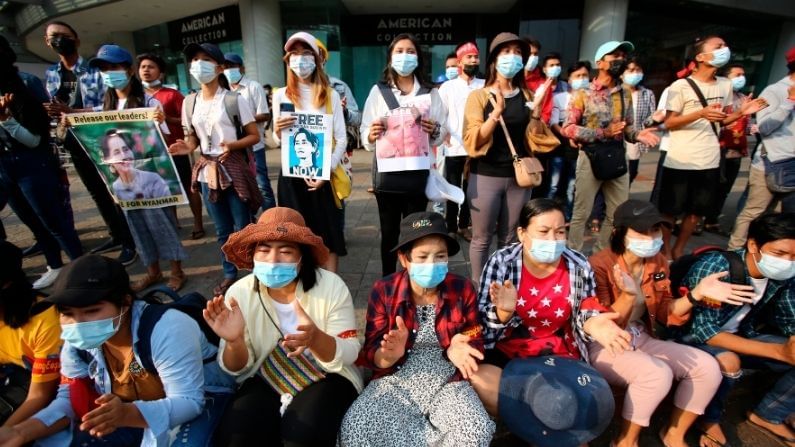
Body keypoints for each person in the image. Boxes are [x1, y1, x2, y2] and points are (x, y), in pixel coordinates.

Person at [0, 254, 235, 446]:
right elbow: (71, 397)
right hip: (126, 408)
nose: (77, 322)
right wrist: (19, 432)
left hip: (201, 397)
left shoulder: (169, 328)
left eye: (92, 311)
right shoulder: (76, 341)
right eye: (67, 313)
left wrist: (127, 414)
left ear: (125, 302)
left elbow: (188, 401)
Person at [468, 198, 630, 445]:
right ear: (522, 233)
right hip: (508, 351)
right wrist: (504, 312)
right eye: (543, 232)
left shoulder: (577, 264)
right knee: (478, 377)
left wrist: (595, 324)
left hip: (558, 352)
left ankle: (542, 429)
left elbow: (585, 310)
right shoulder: (502, 262)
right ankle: (538, 428)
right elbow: (482, 327)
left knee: (568, 414)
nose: (553, 240)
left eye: (560, 231)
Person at [203, 207, 362, 446]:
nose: (273, 260)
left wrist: (315, 337)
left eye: (286, 251)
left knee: (302, 436)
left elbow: (350, 351)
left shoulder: (331, 286)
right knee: (235, 436)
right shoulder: (239, 293)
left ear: (302, 257)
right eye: (264, 250)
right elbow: (235, 369)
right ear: (252, 254)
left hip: (328, 374)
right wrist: (234, 341)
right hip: (265, 373)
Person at [339, 212, 494, 446]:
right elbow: (372, 350)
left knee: (475, 429)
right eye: (422, 257)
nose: (432, 264)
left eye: (440, 256)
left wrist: (461, 343)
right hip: (396, 378)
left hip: (448, 380)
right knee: (356, 428)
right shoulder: (384, 290)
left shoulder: (462, 288)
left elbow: (474, 332)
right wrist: (388, 355)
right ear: (404, 259)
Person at [588, 200, 735, 447]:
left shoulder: (657, 261)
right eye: (641, 232)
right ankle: (626, 441)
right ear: (618, 233)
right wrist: (628, 295)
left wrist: (694, 295)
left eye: (655, 230)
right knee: (656, 374)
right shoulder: (598, 265)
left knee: (707, 367)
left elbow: (666, 311)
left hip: (642, 336)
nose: (650, 238)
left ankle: (674, 434)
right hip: (604, 343)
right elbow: (604, 324)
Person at [675, 212, 795, 447]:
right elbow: (703, 331)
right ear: (753, 245)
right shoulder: (717, 267)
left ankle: (769, 413)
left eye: (794, 256)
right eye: (779, 254)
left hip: (743, 334)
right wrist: (779, 352)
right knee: (729, 361)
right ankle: (708, 419)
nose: (788, 262)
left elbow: (788, 316)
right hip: (689, 339)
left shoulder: (785, 275)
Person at [168, 42, 262, 296]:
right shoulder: (189, 102)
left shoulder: (234, 99)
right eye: (194, 59)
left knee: (243, 225)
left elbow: (253, 135)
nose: (198, 64)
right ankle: (230, 273)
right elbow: (192, 137)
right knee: (221, 229)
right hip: (206, 169)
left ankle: (254, 273)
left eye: (205, 59)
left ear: (220, 67)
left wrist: (233, 144)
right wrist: (186, 147)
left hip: (232, 167)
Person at [660, 35, 767, 259]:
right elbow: (669, 123)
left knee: (696, 211)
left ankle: (680, 249)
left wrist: (740, 113)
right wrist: (700, 113)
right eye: (717, 46)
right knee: (670, 211)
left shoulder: (725, 84)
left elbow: (723, 120)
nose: (724, 49)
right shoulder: (680, 86)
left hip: (709, 159)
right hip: (681, 159)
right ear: (700, 56)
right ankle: (666, 249)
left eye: (725, 46)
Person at [91, 45, 188, 293]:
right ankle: (153, 271)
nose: (109, 73)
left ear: (128, 70)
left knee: (162, 223)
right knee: (138, 225)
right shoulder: (108, 102)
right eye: (104, 69)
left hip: (149, 172)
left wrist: (160, 120)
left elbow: (162, 136)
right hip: (124, 179)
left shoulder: (148, 100)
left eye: (114, 68)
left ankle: (177, 271)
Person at [42, 20, 137, 267]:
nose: (59, 40)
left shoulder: (96, 72)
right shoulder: (52, 74)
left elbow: (107, 108)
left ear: (76, 39)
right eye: (53, 36)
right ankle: (115, 234)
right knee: (96, 193)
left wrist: (73, 111)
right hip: (73, 141)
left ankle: (129, 241)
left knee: (114, 190)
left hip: (100, 140)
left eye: (64, 35)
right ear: (47, 42)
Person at [0, 34, 84, 290]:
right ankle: (54, 265)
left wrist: (6, 120)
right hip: (5, 165)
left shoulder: (24, 84)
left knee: (53, 220)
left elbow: (36, 139)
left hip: (31, 162)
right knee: (32, 221)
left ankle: (80, 271)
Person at [562, 40, 660, 254]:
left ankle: (600, 253)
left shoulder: (625, 94)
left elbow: (629, 128)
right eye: (614, 56)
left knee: (617, 213)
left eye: (622, 56)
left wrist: (638, 134)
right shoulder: (583, 93)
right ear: (600, 62)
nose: (620, 60)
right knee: (582, 212)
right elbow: (568, 128)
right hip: (590, 157)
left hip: (616, 157)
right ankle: (573, 254)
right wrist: (602, 133)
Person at [360, 33, 447, 276]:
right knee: (389, 233)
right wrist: (371, 133)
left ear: (419, 57)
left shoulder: (430, 93)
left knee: (416, 232)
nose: (405, 56)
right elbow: (365, 131)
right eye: (399, 51)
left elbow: (441, 133)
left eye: (410, 51)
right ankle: (388, 281)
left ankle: (413, 278)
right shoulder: (379, 92)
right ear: (390, 57)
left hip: (417, 175)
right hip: (388, 177)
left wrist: (434, 129)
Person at [462, 32, 546, 281]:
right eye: (506, 52)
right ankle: (479, 290)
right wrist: (495, 113)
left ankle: (504, 286)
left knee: (510, 237)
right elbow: (473, 140)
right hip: (485, 175)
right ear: (494, 59)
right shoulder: (478, 96)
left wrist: (537, 116)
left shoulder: (527, 96)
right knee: (481, 238)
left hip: (519, 178)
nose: (513, 57)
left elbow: (536, 140)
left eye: (518, 52)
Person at [272, 31, 348, 274]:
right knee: (293, 236)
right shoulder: (280, 95)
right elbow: (277, 140)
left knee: (328, 236)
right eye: (294, 54)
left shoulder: (331, 94)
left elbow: (342, 138)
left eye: (306, 54)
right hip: (291, 178)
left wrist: (326, 172)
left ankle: (331, 289)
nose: (300, 60)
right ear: (287, 59)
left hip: (322, 178)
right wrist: (277, 131)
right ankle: (301, 287)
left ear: (317, 59)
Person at [728, 47, 795, 249]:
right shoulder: (775, 91)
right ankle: (735, 251)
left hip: (792, 164)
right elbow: (763, 127)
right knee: (754, 211)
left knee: (781, 215)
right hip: (770, 163)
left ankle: (769, 251)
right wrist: (790, 102)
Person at [138, 53, 205, 240]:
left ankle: (198, 222)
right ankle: (173, 222)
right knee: (163, 189)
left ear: (161, 72)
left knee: (189, 187)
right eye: (143, 67)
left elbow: (187, 121)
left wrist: (166, 118)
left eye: (151, 67)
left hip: (175, 149)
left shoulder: (172, 95)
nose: (146, 70)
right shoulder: (137, 97)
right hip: (151, 153)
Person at [0, 242, 61, 427]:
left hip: (51, 393)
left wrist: (7, 433)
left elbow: (41, 395)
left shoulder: (45, 322)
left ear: (6, 284)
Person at [437, 42, 483, 241]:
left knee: (470, 190)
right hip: (454, 147)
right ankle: (451, 228)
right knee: (453, 189)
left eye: (476, 57)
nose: (473, 60)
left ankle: (464, 225)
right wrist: (444, 132)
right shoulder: (448, 87)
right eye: (469, 57)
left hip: (477, 147)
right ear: (460, 61)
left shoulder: (483, 85)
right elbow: (439, 113)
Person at [223, 52, 276, 212]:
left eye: (232, 66)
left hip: (254, 146)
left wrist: (243, 120)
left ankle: (271, 220)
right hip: (233, 148)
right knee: (240, 185)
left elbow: (265, 114)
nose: (228, 70)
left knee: (262, 185)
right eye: (225, 67)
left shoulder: (253, 87)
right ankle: (250, 220)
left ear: (241, 68)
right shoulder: (222, 90)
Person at [703, 63, 752, 236]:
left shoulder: (744, 99)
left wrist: (749, 121)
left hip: (735, 151)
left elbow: (747, 128)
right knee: (708, 186)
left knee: (724, 188)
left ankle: (711, 220)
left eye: (743, 74)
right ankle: (696, 218)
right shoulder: (718, 96)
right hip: (716, 149)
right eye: (737, 74)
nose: (741, 78)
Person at [551, 61, 591, 221]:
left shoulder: (594, 99)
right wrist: (567, 134)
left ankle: (567, 217)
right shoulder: (560, 98)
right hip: (560, 147)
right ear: (569, 79)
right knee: (553, 185)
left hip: (580, 149)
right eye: (577, 76)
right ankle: (548, 214)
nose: (581, 79)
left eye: (585, 76)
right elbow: (553, 122)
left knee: (572, 186)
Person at [534, 52, 569, 200]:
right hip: (541, 135)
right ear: (544, 68)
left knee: (558, 175)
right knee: (542, 172)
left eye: (558, 65)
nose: (555, 68)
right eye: (551, 65)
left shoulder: (566, 87)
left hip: (561, 138)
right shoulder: (540, 87)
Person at [101, 130, 171, 201]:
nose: (124, 155)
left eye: (125, 149)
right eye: (117, 152)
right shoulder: (114, 188)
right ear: (108, 160)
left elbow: (170, 209)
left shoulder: (153, 179)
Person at [621, 57, 657, 184]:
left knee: (632, 172)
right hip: (617, 139)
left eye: (638, 70)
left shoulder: (647, 93)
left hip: (636, 139)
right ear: (622, 74)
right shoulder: (616, 92)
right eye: (631, 70)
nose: (635, 73)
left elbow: (649, 119)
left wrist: (655, 118)